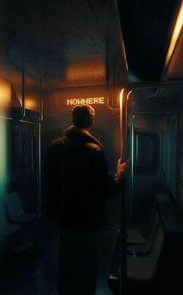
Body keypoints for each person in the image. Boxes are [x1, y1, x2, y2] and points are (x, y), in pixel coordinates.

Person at [44, 104, 128, 295]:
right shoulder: (94, 151)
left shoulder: (54, 147)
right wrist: (120, 175)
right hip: (87, 223)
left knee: (66, 265)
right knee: (86, 269)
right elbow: (107, 190)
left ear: (72, 120)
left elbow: (50, 185)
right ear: (91, 122)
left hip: (62, 221)